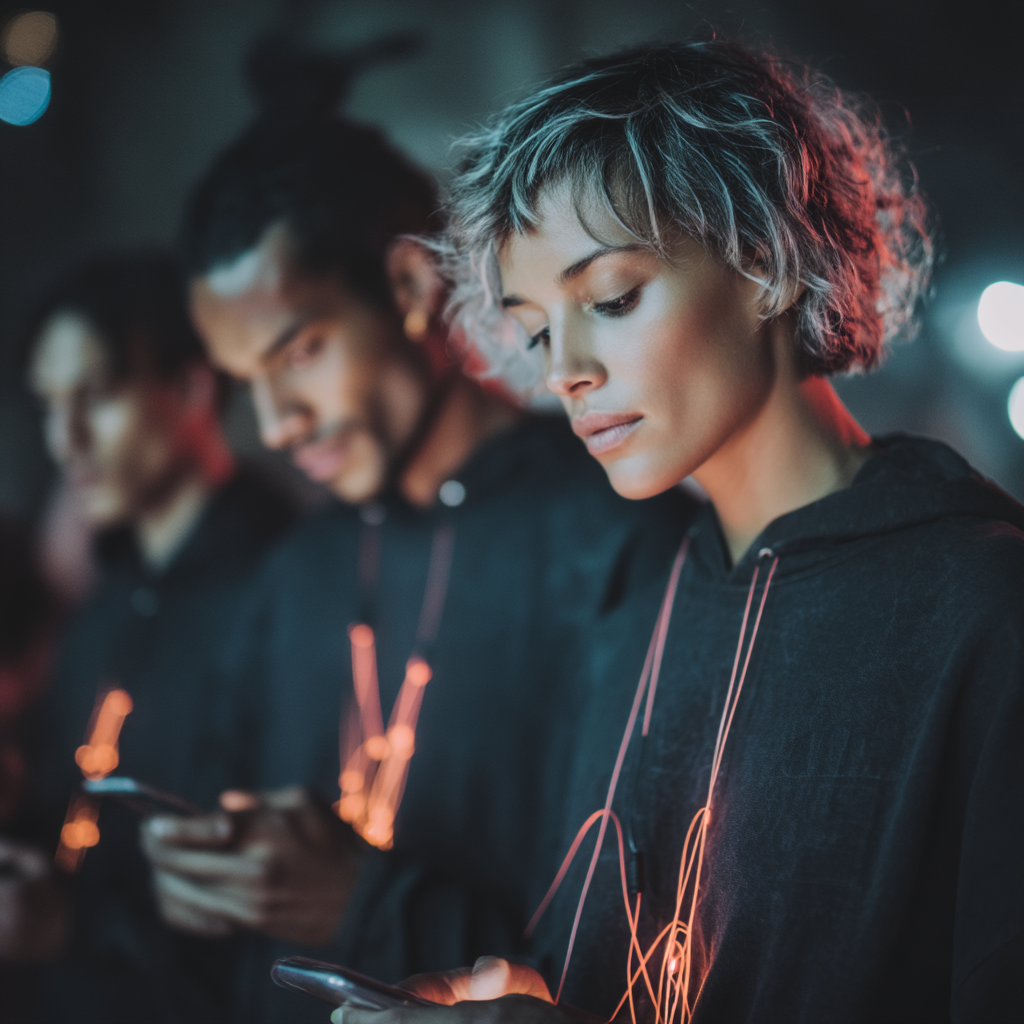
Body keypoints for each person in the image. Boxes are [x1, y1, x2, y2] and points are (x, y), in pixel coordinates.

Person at [336, 39, 1024, 1024]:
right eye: (536, 330)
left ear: (764, 262)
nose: (563, 372)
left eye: (611, 299)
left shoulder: (983, 609)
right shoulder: (638, 614)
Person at [138, 41, 695, 1023]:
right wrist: (202, 891)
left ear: (405, 286)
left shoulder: (616, 536)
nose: (274, 425)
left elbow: (646, 950)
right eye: (244, 380)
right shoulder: (296, 571)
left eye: (300, 353)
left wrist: (366, 905)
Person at [20, 251, 298, 1023]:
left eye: (95, 397)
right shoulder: (106, 598)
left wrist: (72, 929)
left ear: (190, 390)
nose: (65, 440)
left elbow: (262, 900)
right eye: (49, 405)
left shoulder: (277, 589)